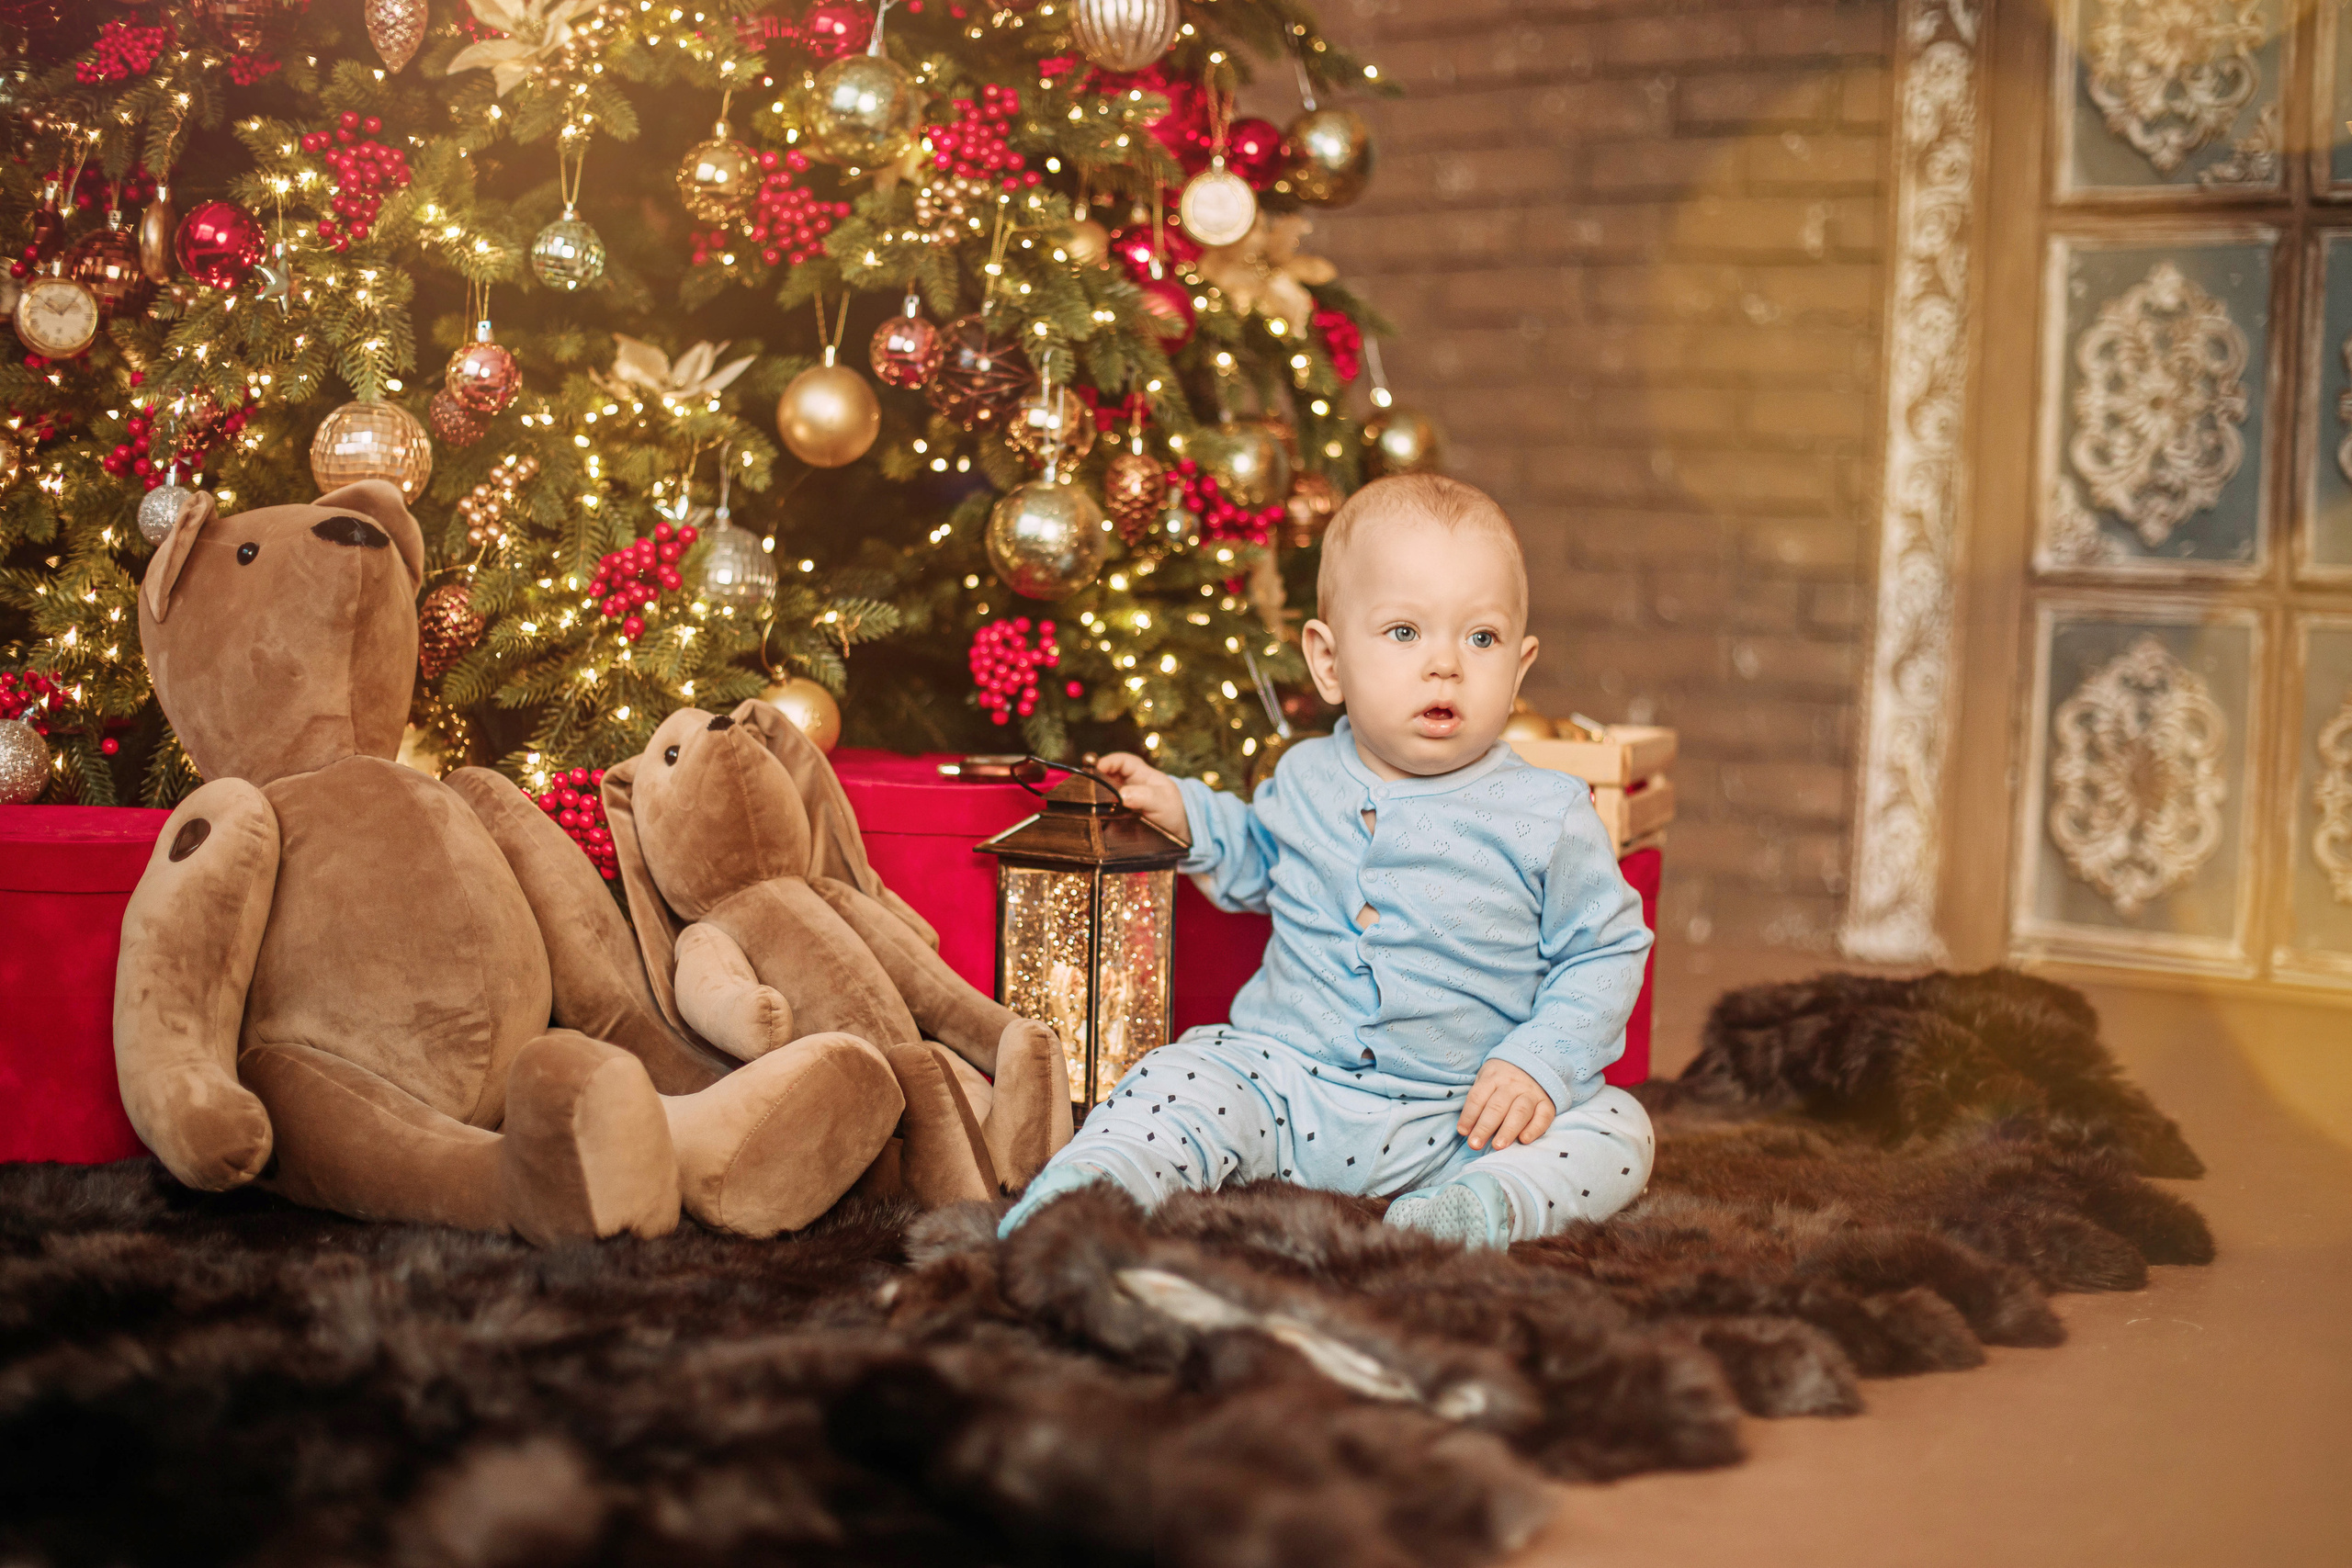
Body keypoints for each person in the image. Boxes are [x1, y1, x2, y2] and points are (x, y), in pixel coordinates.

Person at [999, 473, 1657, 1247]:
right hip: (1288, 1088)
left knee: (1620, 1127)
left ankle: (1479, 1207)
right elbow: (1259, 860)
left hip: (1461, 1114)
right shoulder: (1306, 775)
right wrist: (1186, 812)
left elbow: (1605, 949)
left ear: (1519, 667)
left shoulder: (1549, 811)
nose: (1445, 663)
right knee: (1179, 1075)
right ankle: (1091, 1189)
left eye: (1481, 638)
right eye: (1405, 632)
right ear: (1328, 661)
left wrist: (1538, 1064)